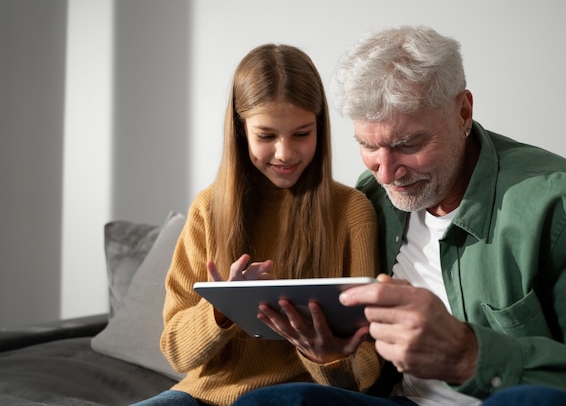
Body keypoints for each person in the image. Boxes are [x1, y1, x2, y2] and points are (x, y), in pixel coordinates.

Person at [231, 26, 566, 406]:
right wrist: (333, 354)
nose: (385, 173)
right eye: (368, 145)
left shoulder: (564, 204)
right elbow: (364, 375)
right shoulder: (372, 200)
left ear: (463, 111)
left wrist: (470, 355)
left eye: (408, 144)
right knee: (272, 401)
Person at [131, 44, 383, 406]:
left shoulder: (351, 212)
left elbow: (368, 368)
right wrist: (221, 309)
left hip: (296, 396)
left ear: (320, 127)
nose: (285, 153)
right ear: (240, 130)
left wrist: (328, 355)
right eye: (266, 136)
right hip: (200, 397)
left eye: (301, 133)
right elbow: (175, 351)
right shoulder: (207, 209)